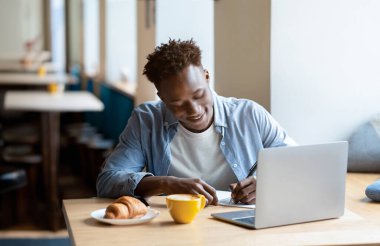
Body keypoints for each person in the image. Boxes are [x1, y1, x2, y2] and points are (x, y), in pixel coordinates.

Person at [97, 39, 296, 205]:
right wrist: (167, 183)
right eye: (177, 103)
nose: (194, 110)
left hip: (240, 225)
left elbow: (297, 166)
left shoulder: (249, 115)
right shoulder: (146, 120)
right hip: (176, 226)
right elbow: (108, 180)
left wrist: (266, 183)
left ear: (206, 77)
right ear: (162, 98)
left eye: (199, 94)